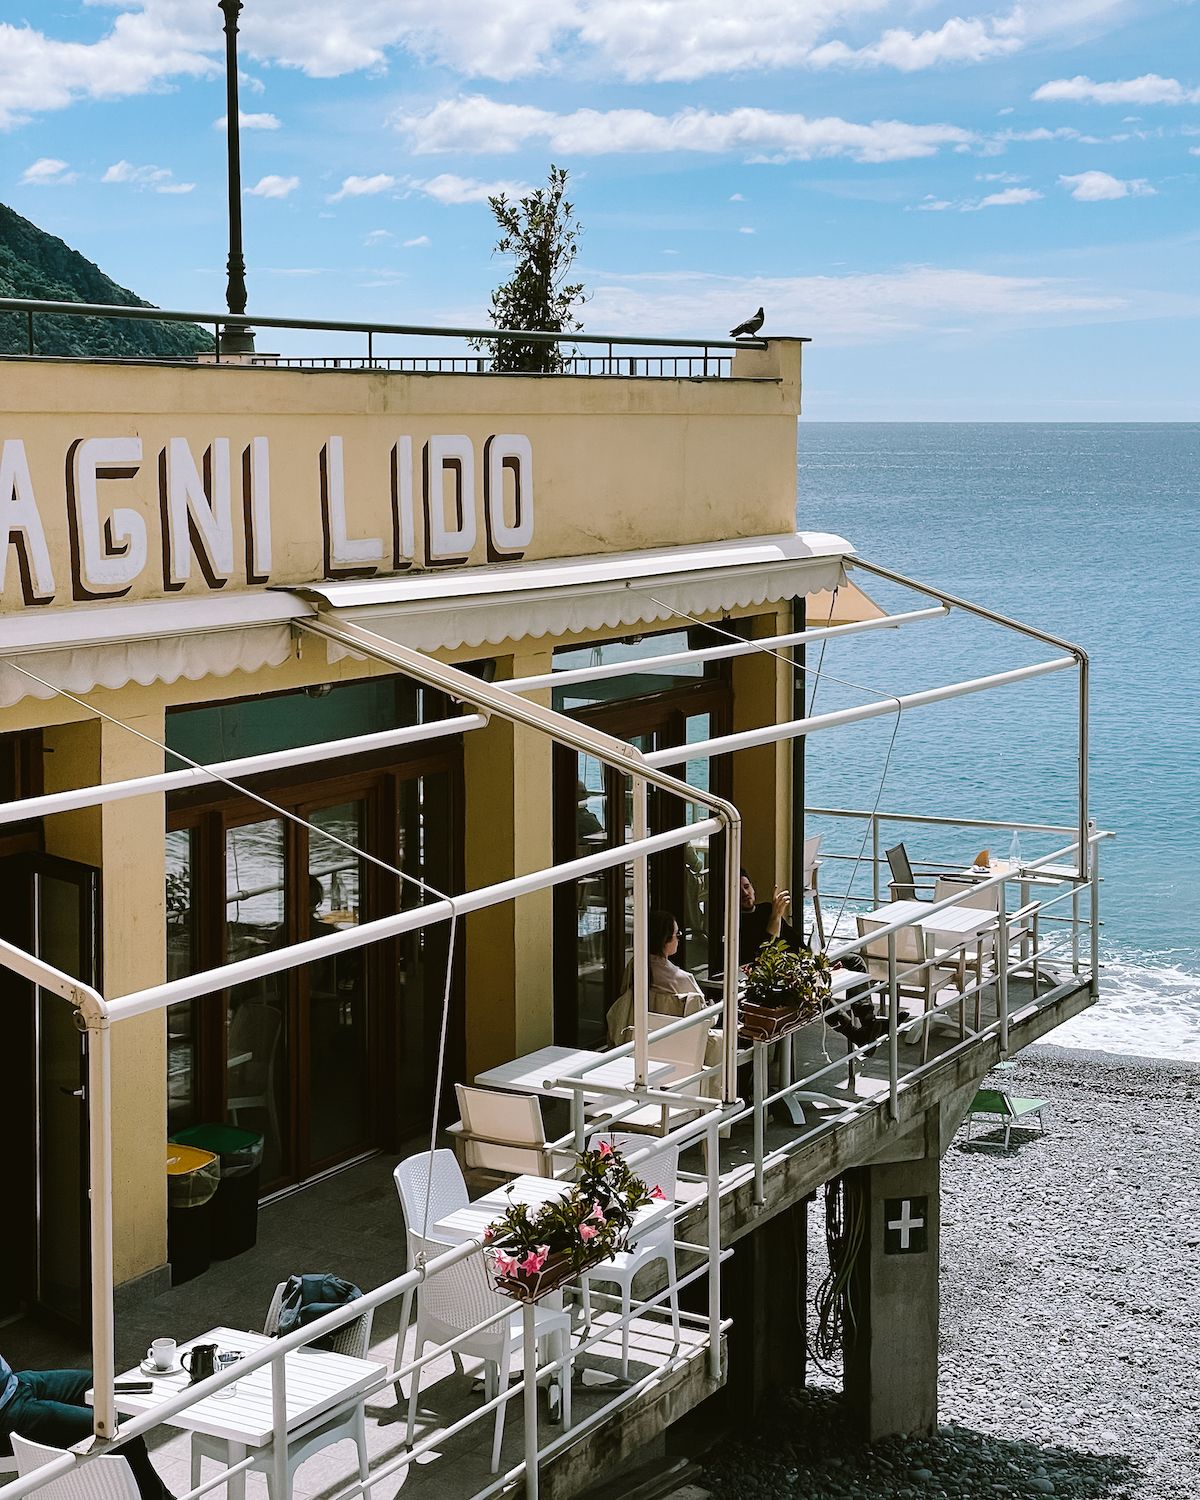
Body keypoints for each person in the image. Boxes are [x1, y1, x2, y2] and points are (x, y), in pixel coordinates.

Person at [0, 1355, 174, 1500]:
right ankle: (158, 1497)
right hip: (7, 1411)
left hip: (15, 1383)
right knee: (120, 1431)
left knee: (100, 1386)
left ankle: (124, 1487)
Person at [736, 868, 800, 963]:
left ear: (752, 888)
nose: (745, 893)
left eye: (746, 887)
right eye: (738, 890)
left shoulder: (767, 909)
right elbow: (763, 956)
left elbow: (796, 943)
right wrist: (775, 918)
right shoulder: (736, 923)